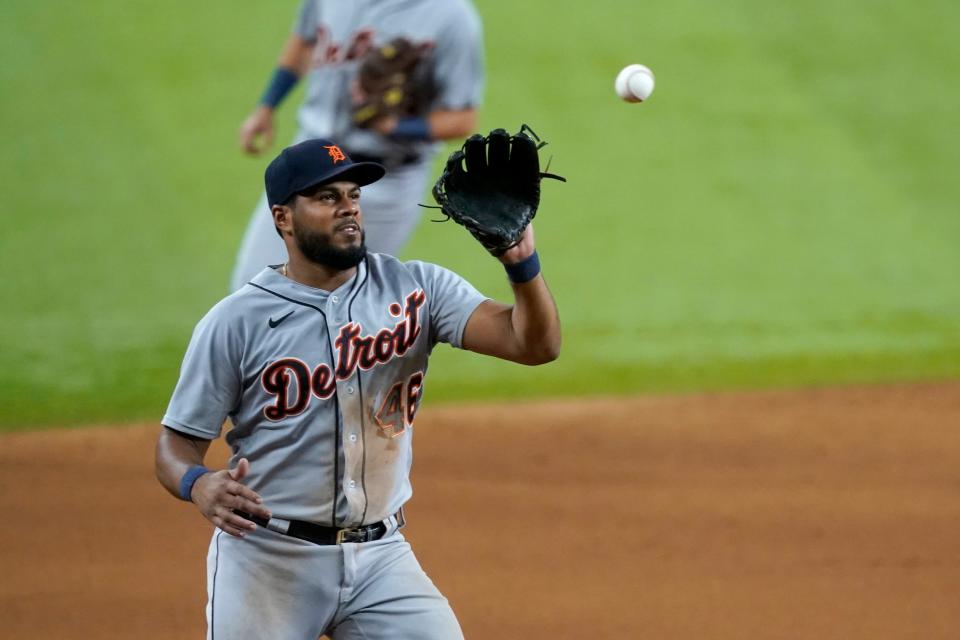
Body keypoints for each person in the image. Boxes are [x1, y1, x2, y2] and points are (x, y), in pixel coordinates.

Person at [155, 138, 560, 639]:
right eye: (327, 198)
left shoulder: (416, 290)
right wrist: (198, 484)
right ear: (282, 218)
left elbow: (533, 344)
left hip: (380, 559)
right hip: (268, 562)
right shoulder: (234, 323)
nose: (348, 207)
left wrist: (521, 261)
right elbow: (176, 444)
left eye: (353, 195)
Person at [230, 0, 484, 292]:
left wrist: (395, 127)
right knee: (250, 289)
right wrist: (267, 106)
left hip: (387, 183)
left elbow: (463, 118)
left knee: (346, 302)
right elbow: (304, 40)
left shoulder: (452, 17)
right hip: (309, 164)